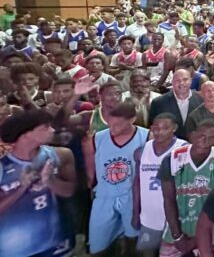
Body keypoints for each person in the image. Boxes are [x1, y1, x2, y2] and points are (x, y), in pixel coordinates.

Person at [0, 108, 77, 257]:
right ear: (26, 134)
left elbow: (69, 192)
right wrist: (22, 188)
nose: (52, 130)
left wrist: (50, 181)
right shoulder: (3, 166)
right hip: (14, 250)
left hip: (56, 243)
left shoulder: (61, 155)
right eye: (45, 127)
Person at [84, 100, 150, 256]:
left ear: (132, 120)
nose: (111, 128)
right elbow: (89, 170)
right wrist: (92, 187)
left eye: (117, 125)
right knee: (98, 244)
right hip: (105, 195)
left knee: (133, 242)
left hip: (133, 197)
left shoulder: (146, 137)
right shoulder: (96, 138)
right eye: (109, 124)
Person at [159, 119, 214, 257]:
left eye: (211, 138)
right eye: (201, 136)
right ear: (192, 136)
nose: (205, 142)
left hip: (210, 231)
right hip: (176, 229)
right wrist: (177, 236)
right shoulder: (172, 159)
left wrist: (197, 239)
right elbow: (168, 200)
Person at [132, 113, 186, 255]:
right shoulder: (142, 151)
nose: (159, 132)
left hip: (176, 218)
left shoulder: (184, 149)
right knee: (147, 253)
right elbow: (137, 183)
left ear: (174, 128)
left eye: (165, 127)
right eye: (156, 128)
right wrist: (135, 212)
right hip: (149, 217)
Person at [149, 69, 203, 140]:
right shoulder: (158, 103)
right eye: (178, 80)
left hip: (194, 146)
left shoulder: (201, 100)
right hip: (167, 146)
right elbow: (152, 128)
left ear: (191, 81)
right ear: (172, 82)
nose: (181, 83)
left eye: (185, 80)